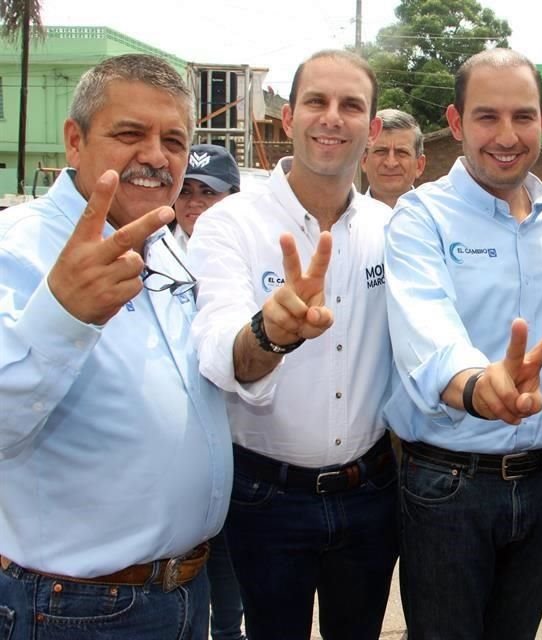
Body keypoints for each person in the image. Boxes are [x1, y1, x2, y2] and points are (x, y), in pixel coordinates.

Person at [0, 54, 231, 639]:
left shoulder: (169, 246)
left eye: (173, 139)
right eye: (130, 134)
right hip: (75, 609)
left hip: (181, 593)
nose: (155, 156)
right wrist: (63, 315)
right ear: (74, 142)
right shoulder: (17, 250)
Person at [187, 50, 396, 640]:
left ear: (372, 128)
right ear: (288, 117)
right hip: (264, 499)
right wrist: (269, 335)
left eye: (351, 105)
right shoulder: (231, 224)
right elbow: (219, 348)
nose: (332, 117)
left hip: (370, 492)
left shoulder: (390, 229)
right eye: (316, 102)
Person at [384, 48, 542, 640]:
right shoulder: (420, 218)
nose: (506, 135)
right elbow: (427, 325)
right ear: (455, 122)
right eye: (486, 116)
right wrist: (478, 387)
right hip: (449, 486)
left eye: (523, 116)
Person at [172, 142, 246, 640]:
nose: (195, 203)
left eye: (209, 193)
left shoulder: (244, 251)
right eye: (188, 192)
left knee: (231, 567)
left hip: (239, 438)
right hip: (180, 448)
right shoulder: (152, 252)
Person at [172, 143, 241, 252]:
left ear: (234, 197)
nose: (193, 202)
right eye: (184, 191)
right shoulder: (151, 246)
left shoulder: (253, 248)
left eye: (208, 192)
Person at [361, 108, 426, 208]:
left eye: (402, 152)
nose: (391, 163)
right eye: (381, 151)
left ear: (419, 165)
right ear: (364, 161)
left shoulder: (439, 218)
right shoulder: (339, 219)